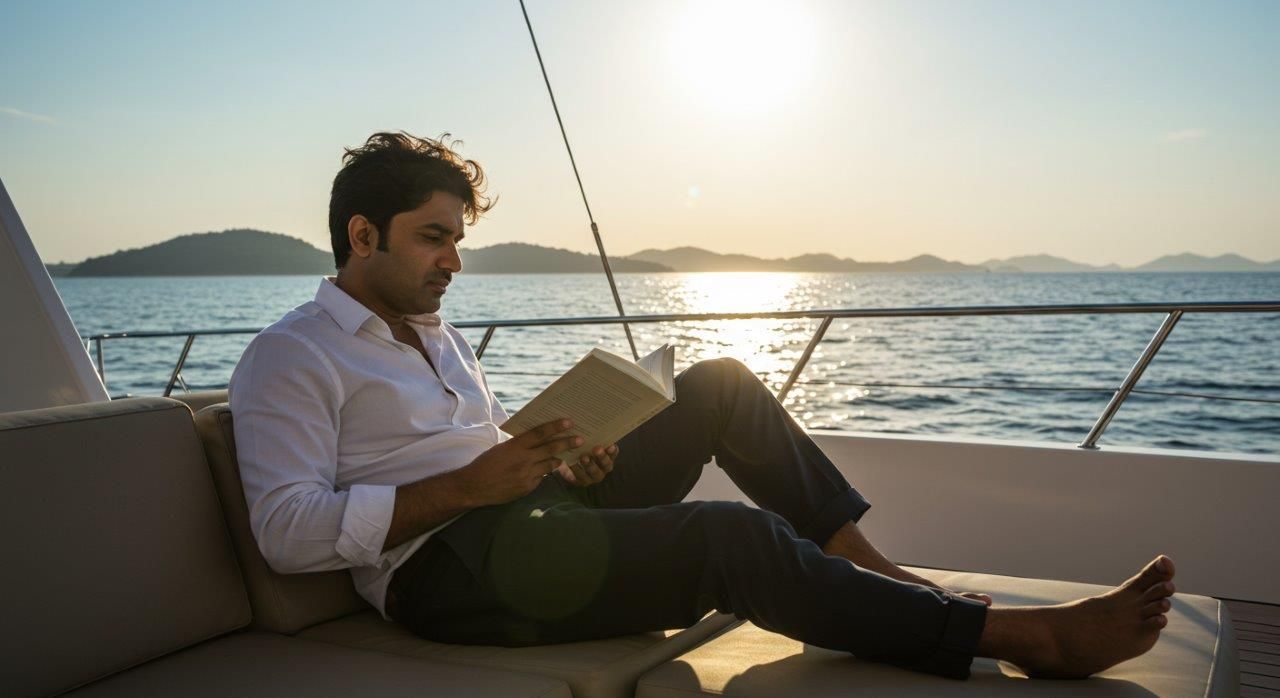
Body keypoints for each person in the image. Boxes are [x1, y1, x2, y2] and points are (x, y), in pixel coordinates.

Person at [229, 131, 1176, 680]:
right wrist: (471, 487)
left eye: (459, 239)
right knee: (726, 536)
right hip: (443, 573)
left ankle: (896, 585)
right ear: (361, 235)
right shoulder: (288, 357)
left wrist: (563, 454)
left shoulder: (436, 336)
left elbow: (479, 452)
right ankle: (1017, 637)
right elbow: (284, 532)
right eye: (434, 238)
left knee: (716, 382)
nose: (454, 261)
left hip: (523, 512)